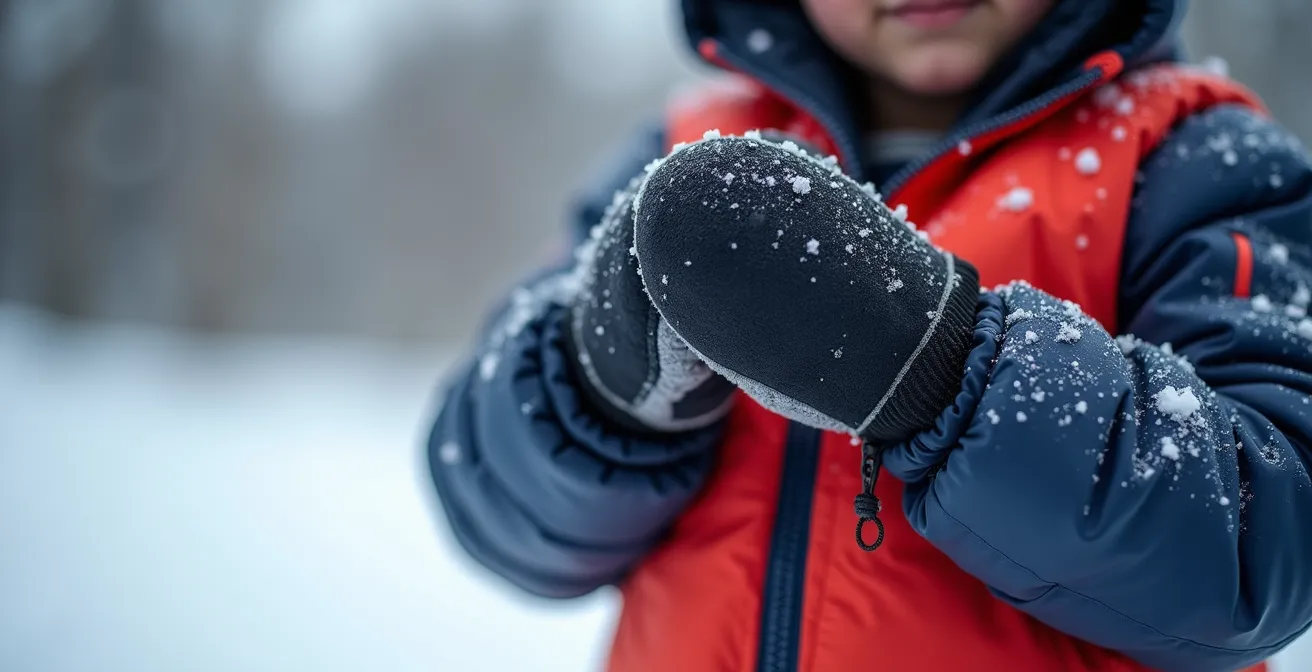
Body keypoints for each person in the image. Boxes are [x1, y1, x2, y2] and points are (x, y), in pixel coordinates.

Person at [426, 0, 1312, 670]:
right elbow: (495, 507)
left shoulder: (1196, 159)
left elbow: (1263, 542)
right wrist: (596, 388)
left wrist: (944, 372)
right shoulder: (680, 145)